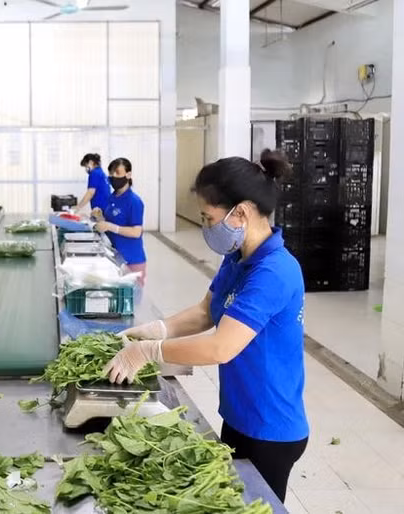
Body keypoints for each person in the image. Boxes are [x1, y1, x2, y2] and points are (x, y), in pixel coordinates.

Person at [105, 150, 308, 503]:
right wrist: (158, 329)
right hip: (239, 414)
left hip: (269, 427)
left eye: (208, 217)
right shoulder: (238, 257)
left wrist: (149, 352)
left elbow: (221, 346)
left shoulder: (275, 270)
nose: (205, 227)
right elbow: (205, 311)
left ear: (240, 212)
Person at [92, 157, 147, 287]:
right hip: (114, 257)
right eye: (111, 173)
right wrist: (99, 216)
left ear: (128, 174)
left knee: (132, 301)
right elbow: (108, 222)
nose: (113, 176)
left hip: (131, 261)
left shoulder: (134, 201)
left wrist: (111, 227)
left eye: (117, 172)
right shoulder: (112, 197)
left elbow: (136, 232)